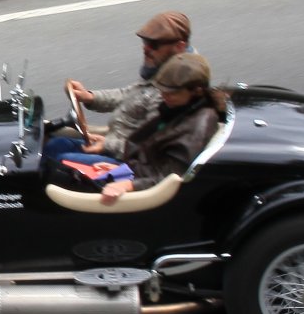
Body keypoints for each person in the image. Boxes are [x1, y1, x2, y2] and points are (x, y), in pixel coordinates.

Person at [53, 53, 226, 205]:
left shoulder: (197, 127)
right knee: (57, 152)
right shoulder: (176, 109)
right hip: (134, 171)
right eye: (162, 90)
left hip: (142, 185)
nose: (164, 96)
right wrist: (121, 169)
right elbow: (146, 150)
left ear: (196, 91)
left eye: (171, 92)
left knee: (58, 166)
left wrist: (128, 183)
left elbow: (170, 177)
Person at [44, 10, 193, 162]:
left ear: (179, 47)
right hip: (115, 141)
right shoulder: (161, 69)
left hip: (129, 161)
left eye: (153, 45)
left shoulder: (175, 89)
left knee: (60, 162)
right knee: (55, 145)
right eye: (145, 42)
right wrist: (89, 97)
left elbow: (150, 143)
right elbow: (129, 95)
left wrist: (108, 145)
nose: (146, 48)